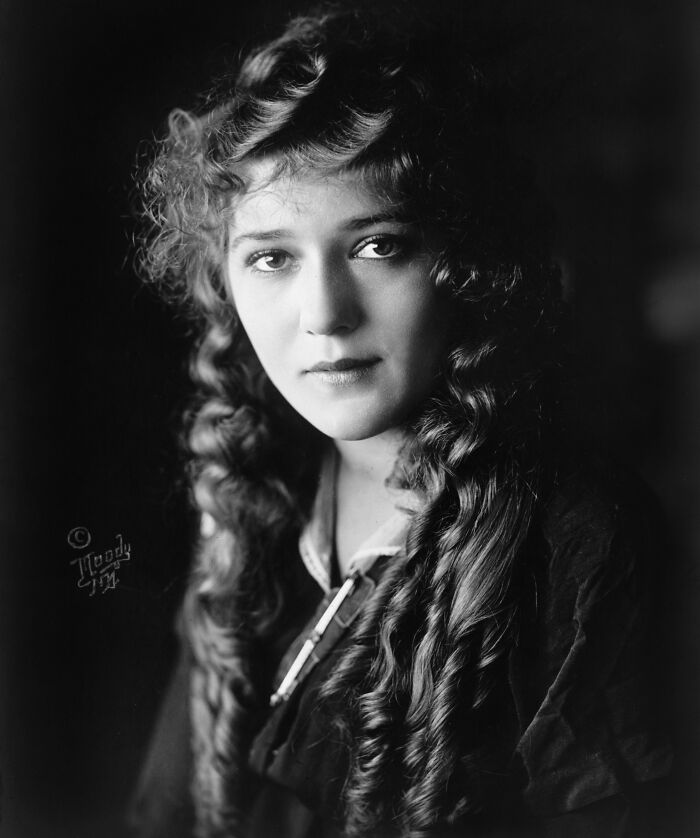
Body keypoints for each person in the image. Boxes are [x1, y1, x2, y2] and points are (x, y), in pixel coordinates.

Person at [129, 6, 674, 837]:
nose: (324, 315)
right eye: (271, 258)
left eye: (378, 246)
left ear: (465, 265)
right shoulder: (256, 500)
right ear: (227, 284)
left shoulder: (581, 543)